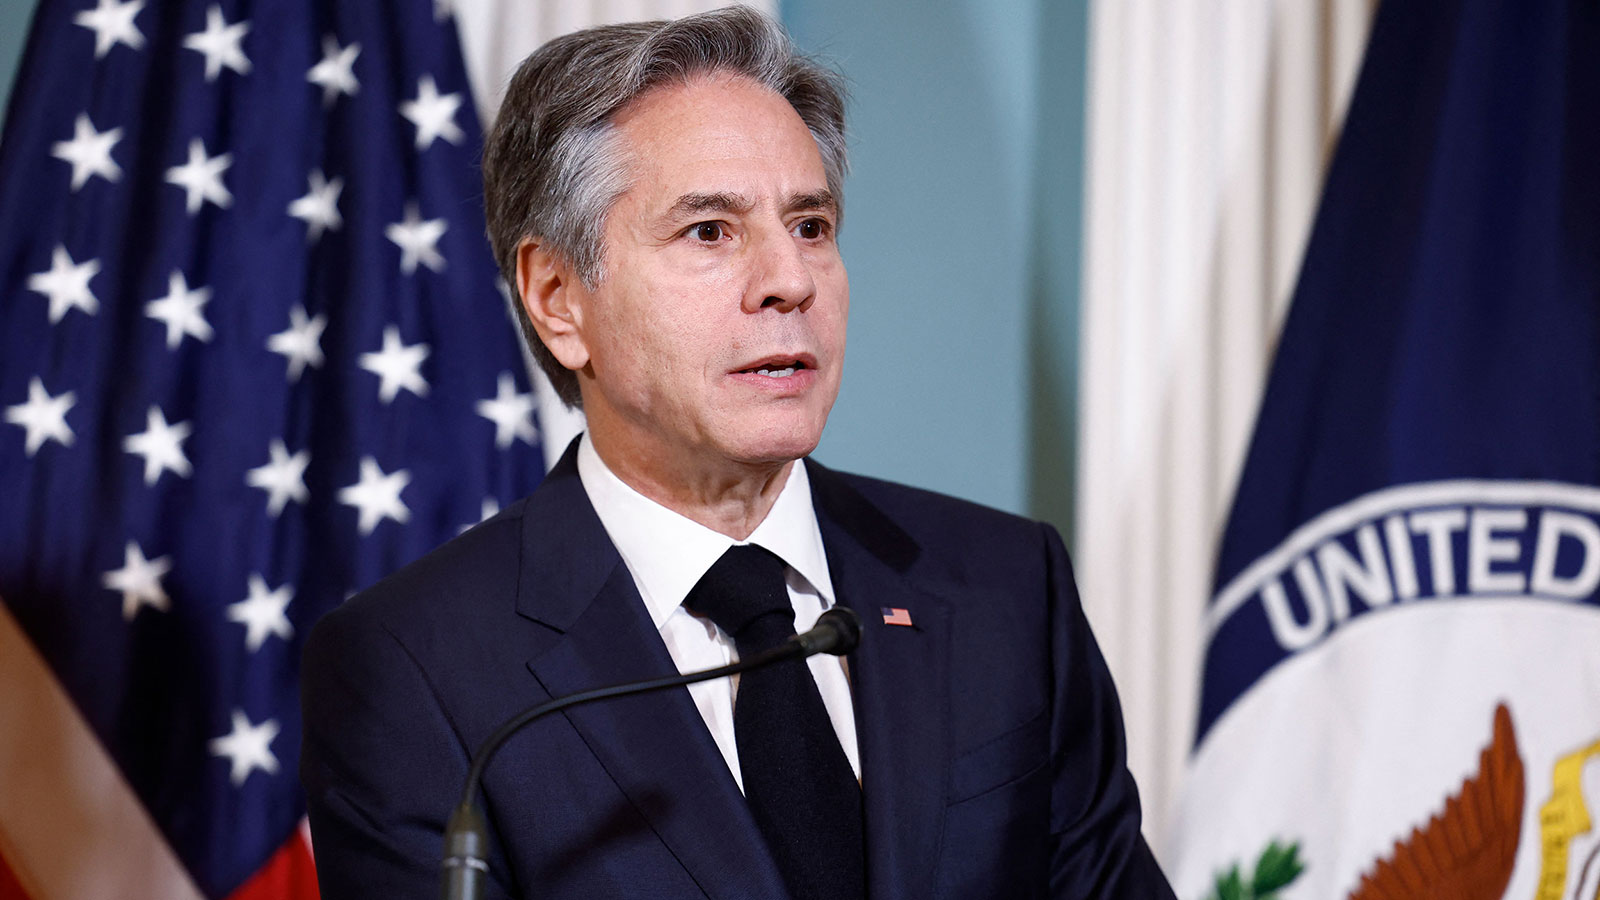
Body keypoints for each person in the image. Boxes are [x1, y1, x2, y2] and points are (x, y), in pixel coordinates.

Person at [299, 8, 1176, 899]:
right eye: (709, 231)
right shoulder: (418, 672)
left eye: (810, 225)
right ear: (558, 299)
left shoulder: (1003, 589)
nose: (790, 280)